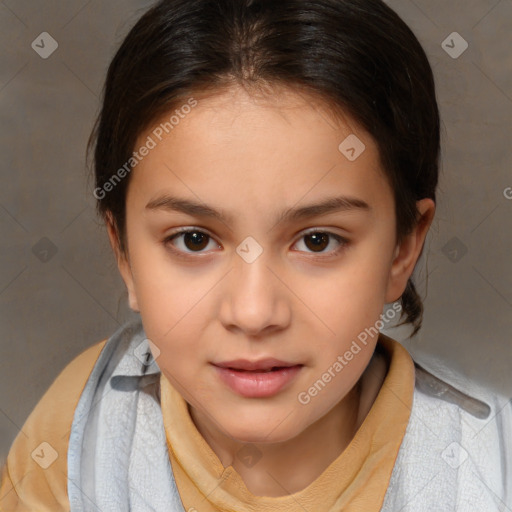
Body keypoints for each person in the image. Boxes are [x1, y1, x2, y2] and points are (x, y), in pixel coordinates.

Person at [1, 0, 510, 510]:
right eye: (194, 240)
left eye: (317, 240)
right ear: (125, 254)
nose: (253, 312)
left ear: (403, 248)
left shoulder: (492, 470)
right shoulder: (78, 436)